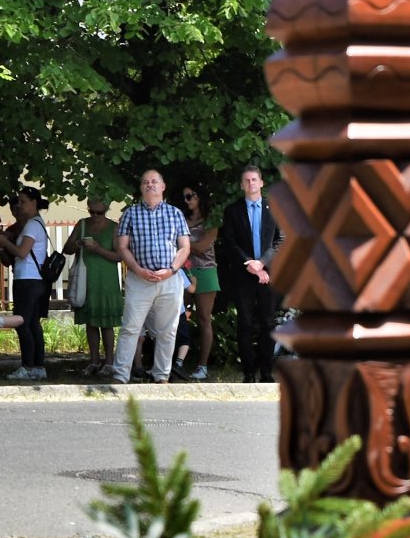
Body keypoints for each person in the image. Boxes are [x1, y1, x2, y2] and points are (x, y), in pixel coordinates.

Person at [111, 170, 192, 386]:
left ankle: (161, 375)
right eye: (145, 182)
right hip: (140, 279)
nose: (150, 185)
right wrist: (137, 269)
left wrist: (172, 269)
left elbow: (185, 247)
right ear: (141, 188)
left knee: (168, 330)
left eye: (154, 182)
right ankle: (120, 376)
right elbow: (122, 246)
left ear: (163, 186)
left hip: (169, 278)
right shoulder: (130, 213)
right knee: (131, 327)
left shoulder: (175, 214)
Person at [218, 165, 282, 383]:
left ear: (261, 183)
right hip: (243, 274)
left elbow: (281, 240)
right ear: (241, 185)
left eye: (254, 180)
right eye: (246, 180)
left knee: (268, 323)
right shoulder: (232, 211)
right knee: (244, 324)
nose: (251, 184)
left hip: (268, 274)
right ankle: (248, 373)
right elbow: (228, 241)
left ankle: (266, 372)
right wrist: (250, 264)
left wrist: (262, 263)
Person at [0, 188, 51, 379]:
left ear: (34, 202)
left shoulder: (32, 225)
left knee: (22, 322)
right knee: (32, 323)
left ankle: (27, 366)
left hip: (27, 279)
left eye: (23, 202)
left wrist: (2, 241)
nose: (20, 206)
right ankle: (38, 367)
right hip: (36, 279)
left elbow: (22, 252)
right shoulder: (37, 223)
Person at [64, 198, 124, 376]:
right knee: (90, 322)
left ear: (105, 210)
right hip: (86, 279)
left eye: (100, 213)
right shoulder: (82, 224)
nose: (95, 216)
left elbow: (119, 256)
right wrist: (78, 244)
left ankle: (109, 361)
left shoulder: (113, 227)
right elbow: (66, 249)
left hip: (106, 280)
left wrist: (98, 249)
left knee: (106, 323)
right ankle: (94, 360)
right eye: (92, 212)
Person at [173, 183, 220, 381]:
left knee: (203, 318)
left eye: (191, 195)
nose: (187, 200)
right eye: (184, 197)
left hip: (206, 271)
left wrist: (183, 244)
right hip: (183, 270)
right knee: (176, 314)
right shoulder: (180, 219)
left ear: (200, 196)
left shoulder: (211, 221)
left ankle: (202, 366)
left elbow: (202, 247)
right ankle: (175, 362)